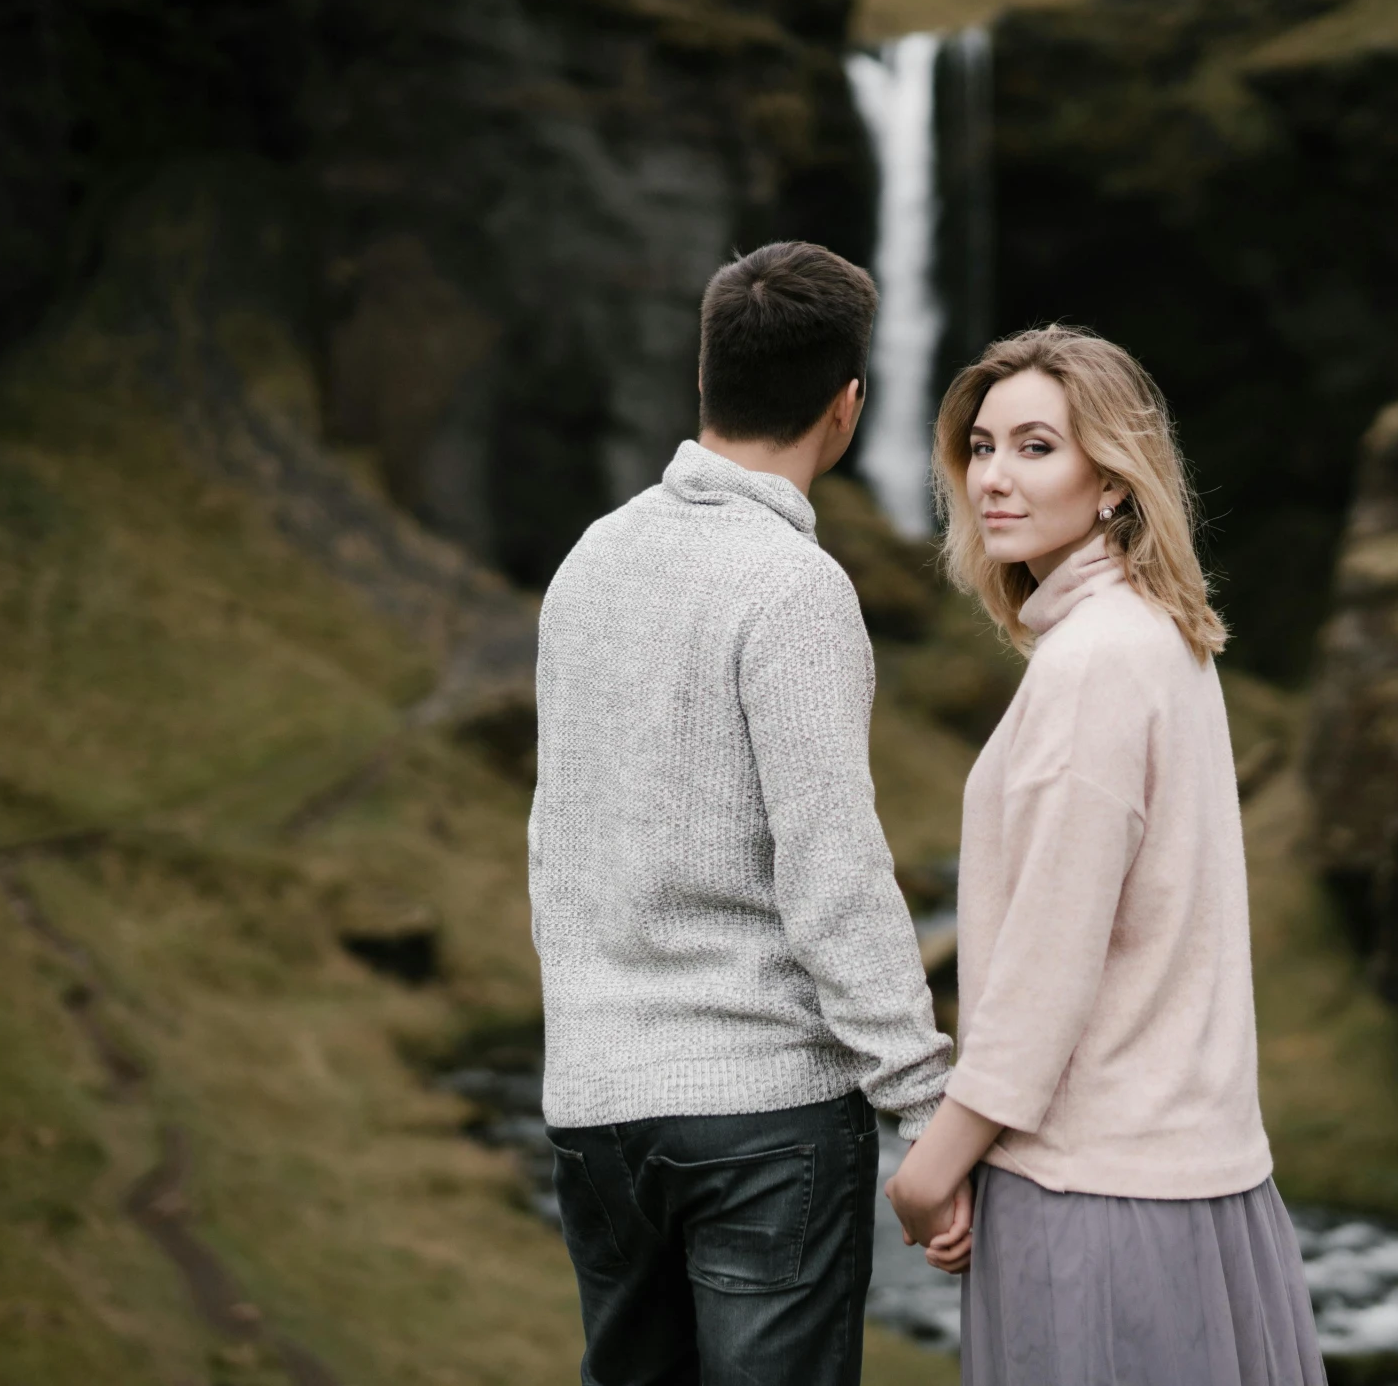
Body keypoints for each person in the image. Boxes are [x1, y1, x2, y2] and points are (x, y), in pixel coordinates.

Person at [529, 241, 956, 1386]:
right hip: (764, 1115)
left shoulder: (588, 560)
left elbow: (557, 840)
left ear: (703, 376)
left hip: (597, 1105)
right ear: (847, 405)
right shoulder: (793, 587)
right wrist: (923, 1101)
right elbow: (832, 868)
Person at [885, 325, 1328, 1386]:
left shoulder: (1091, 662)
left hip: (1095, 1200)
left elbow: (1047, 969)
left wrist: (927, 1171)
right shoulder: (1161, 634)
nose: (993, 476)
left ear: (1114, 481)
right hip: (1202, 1181)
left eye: (1035, 446)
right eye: (981, 447)